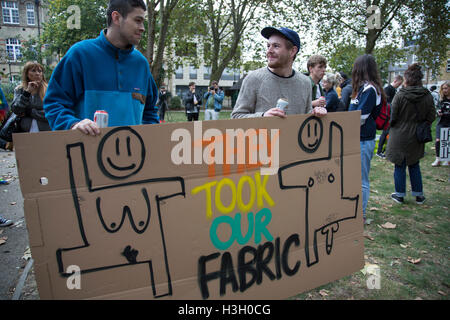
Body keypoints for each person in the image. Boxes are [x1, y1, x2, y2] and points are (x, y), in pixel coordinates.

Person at [44, 0, 159, 136]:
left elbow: (150, 112)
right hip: (87, 154)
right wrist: (72, 124)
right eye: (138, 20)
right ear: (116, 17)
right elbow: (54, 103)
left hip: (133, 155)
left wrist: (148, 139)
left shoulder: (141, 63)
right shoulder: (80, 55)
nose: (142, 28)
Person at [231, 27, 326, 119]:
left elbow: (305, 116)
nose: (269, 51)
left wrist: (315, 113)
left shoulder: (305, 83)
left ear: (293, 51)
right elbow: (236, 117)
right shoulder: (253, 79)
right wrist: (262, 116)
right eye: (268, 46)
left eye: (276, 46)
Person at [385, 63, 435, 204]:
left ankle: (400, 194)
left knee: (399, 165)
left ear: (406, 79)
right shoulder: (427, 95)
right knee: (414, 163)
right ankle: (418, 195)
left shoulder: (400, 95)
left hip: (400, 133)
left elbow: (393, 116)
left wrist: (394, 124)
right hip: (417, 134)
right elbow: (432, 115)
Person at [348, 54, 385, 223]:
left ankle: (360, 214)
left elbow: (360, 117)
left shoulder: (370, 90)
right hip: (355, 138)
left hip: (363, 140)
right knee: (352, 177)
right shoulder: (361, 90)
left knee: (361, 179)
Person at [11, 61, 51, 133]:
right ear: (27, 74)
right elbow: (16, 110)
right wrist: (27, 93)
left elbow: (51, 112)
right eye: (33, 71)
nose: (37, 73)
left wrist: (29, 112)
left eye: (40, 71)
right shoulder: (19, 90)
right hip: (25, 132)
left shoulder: (49, 90)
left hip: (46, 131)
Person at [376, 75, 404, 158]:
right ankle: (379, 151)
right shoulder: (388, 89)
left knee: (388, 133)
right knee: (385, 133)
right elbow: (387, 103)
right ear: (395, 81)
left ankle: (385, 150)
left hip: (391, 115)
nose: (399, 86)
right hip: (387, 116)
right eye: (399, 84)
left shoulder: (393, 90)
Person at [431, 81, 450, 167]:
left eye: (446, 88)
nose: (444, 90)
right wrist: (438, 112)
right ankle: (438, 159)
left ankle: (447, 159)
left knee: (447, 141)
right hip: (441, 122)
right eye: (443, 88)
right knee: (438, 140)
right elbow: (437, 107)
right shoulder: (441, 98)